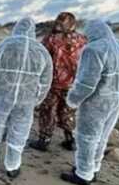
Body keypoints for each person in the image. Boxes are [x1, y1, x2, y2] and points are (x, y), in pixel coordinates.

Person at [60, 19, 119, 185]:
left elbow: (87, 83)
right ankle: (93, 168)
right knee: (102, 136)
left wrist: (73, 100)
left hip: (97, 101)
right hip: (117, 99)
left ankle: (83, 174)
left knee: (87, 137)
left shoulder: (94, 49)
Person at [0, 16, 52, 179]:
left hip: (1, 97)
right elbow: (46, 82)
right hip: (26, 101)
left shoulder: (4, 46)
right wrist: (36, 100)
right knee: (19, 131)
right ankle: (12, 166)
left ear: (16, 28)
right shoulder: (42, 51)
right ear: (33, 31)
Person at [29, 12, 87, 152]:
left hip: (52, 83)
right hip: (74, 83)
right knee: (68, 111)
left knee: (48, 111)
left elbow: (41, 58)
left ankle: (44, 140)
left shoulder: (51, 39)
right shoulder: (82, 40)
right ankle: (70, 140)